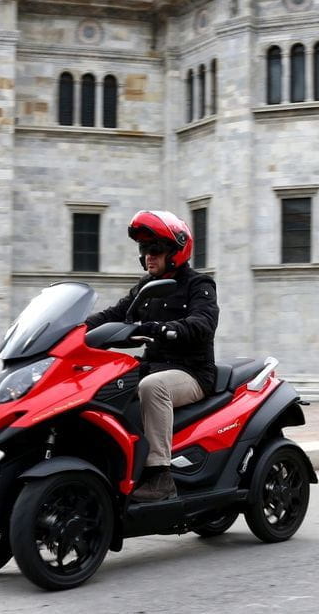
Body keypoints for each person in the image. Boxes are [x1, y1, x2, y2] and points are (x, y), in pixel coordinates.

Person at [85, 210, 219, 502]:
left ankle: (160, 475)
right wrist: (74, 329)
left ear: (176, 251)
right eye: (145, 250)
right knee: (104, 384)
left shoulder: (199, 285)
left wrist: (162, 328)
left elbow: (203, 323)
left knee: (152, 387)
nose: (149, 257)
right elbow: (115, 314)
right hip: (152, 367)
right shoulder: (146, 287)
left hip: (191, 372)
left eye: (156, 250)